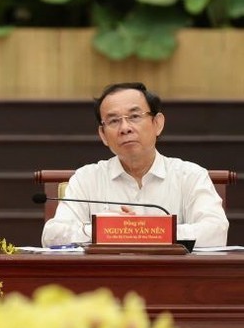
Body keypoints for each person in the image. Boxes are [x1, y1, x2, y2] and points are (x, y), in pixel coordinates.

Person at [42, 82, 228, 248]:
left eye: (135, 116)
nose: (125, 128)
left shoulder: (190, 175)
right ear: (103, 135)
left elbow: (216, 232)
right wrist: (105, 229)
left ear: (157, 123)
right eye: (114, 121)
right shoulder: (87, 178)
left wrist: (150, 230)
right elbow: (52, 236)